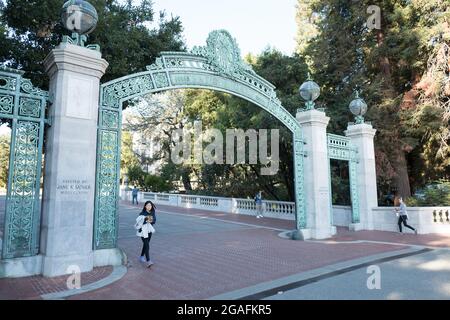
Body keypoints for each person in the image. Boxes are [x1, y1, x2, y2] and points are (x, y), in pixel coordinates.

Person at [135, 201, 157, 267]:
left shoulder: (153, 212)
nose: (149, 207)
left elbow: (154, 220)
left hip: (149, 231)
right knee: (147, 245)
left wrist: (145, 219)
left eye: (150, 205)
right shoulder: (142, 213)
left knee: (145, 244)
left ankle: (141, 256)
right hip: (142, 232)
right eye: (147, 205)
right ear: (145, 206)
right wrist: (149, 219)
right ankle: (148, 261)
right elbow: (140, 222)